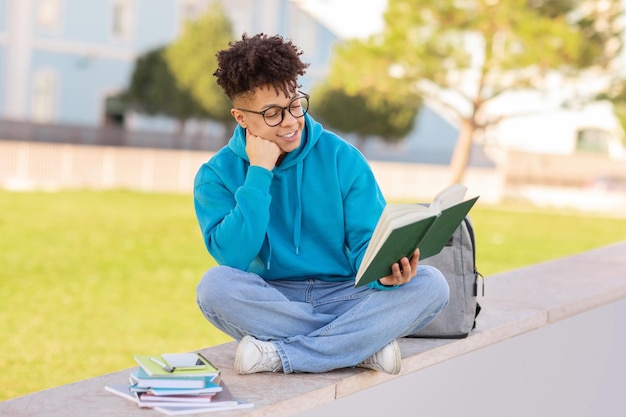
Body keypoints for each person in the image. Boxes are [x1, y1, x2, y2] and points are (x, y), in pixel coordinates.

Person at [194, 33, 449, 375]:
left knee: (431, 286)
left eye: (295, 105)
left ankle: (283, 355)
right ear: (241, 118)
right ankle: (356, 346)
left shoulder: (342, 158)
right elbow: (233, 256)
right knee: (214, 287)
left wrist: (385, 275)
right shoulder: (216, 174)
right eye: (272, 114)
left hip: (345, 294)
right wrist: (258, 173)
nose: (289, 122)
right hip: (273, 298)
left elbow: (366, 245)